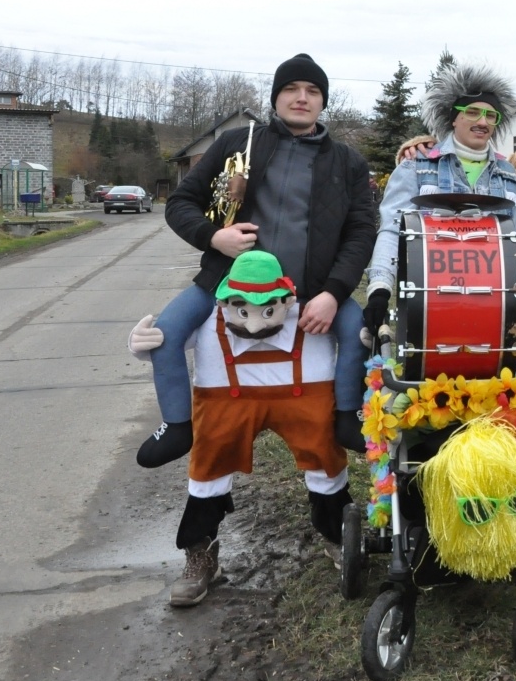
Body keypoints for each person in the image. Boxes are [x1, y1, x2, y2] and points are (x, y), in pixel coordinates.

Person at [143, 54, 377, 463]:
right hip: (225, 282)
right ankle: (178, 425)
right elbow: (180, 203)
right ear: (275, 97)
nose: (301, 98)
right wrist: (215, 237)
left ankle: (347, 415)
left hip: (314, 287)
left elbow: (360, 232)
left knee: (359, 331)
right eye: (291, 89)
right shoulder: (237, 144)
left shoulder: (348, 162)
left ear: (323, 102)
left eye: (313, 91)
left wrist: (334, 294)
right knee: (165, 334)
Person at [128, 251, 350, 607]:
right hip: (225, 398)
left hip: (303, 394)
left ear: (287, 299)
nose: (253, 325)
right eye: (241, 309)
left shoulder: (310, 313)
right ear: (224, 298)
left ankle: (338, 535)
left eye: (267, 310)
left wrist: (366, 332)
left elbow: (355, 338)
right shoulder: (207, 316)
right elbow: (166, 344)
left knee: (324, 456)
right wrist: (141, 342)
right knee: (209, 465)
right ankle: (200, 554)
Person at [363, 62, 516, 359]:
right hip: (428, 307)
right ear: (453, 117)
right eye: (472, 112)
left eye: (490, 115)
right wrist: (379, 288)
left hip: (492, 309)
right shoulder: (415, 166)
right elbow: (392, 229)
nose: (482, 121)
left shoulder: (510, 176)